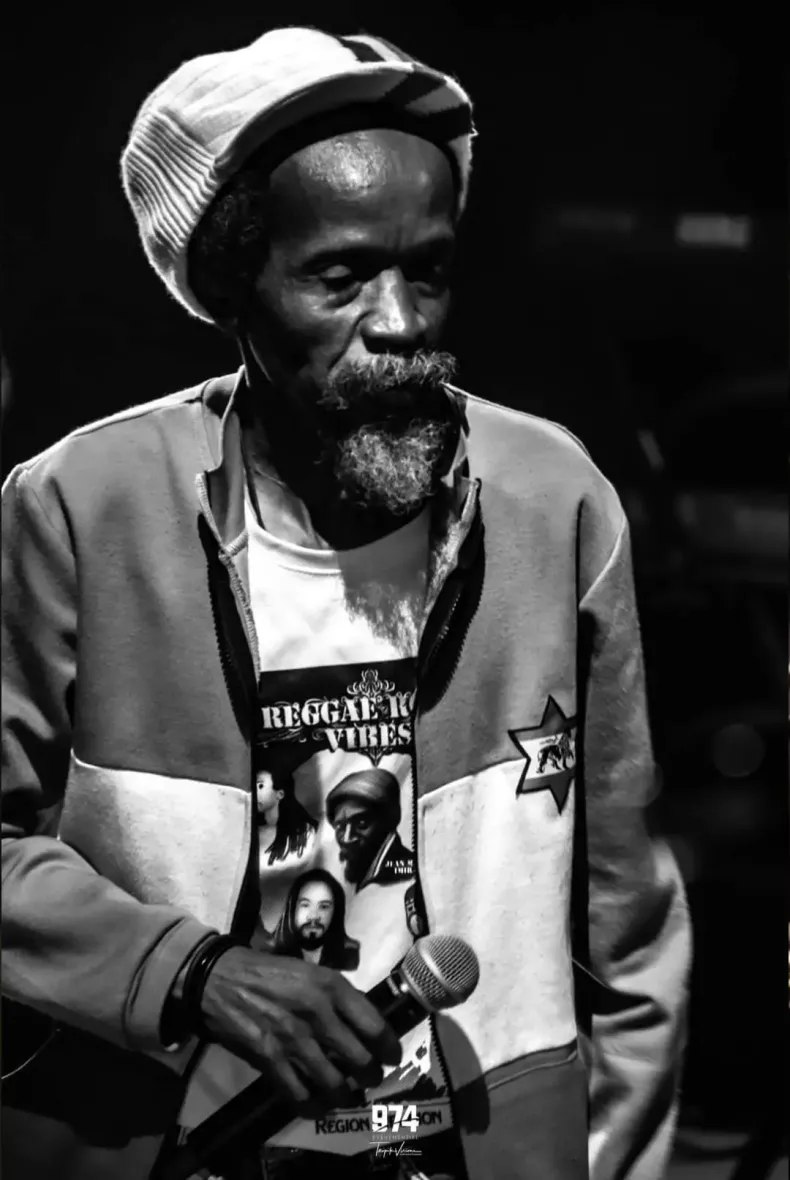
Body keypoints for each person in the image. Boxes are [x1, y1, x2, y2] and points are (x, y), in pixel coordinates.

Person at [0, 24, 691, 1180]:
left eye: (428, 270)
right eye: (340, 277)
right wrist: (192, 972)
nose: (401, 321)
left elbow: (627, 910)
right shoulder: (81, 506)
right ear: (234, 284)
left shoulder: (552, 498)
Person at [326, 768, 414, 888]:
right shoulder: (368, 873)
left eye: (361, 824)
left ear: (388, 821)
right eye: (340, 827)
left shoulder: (405, 876)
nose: (347, 838)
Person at [271, 869, 360, 971]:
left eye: (324, 907)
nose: (313, 916)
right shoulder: (268, 953)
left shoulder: (349, 957)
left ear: (336, 913)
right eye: (305, 905)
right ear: (292, 908)